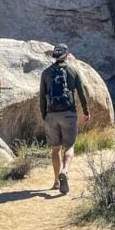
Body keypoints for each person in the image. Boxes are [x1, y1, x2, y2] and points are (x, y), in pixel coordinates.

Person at [39, 43, 90, 194]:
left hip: (51, 115)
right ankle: (65, 171)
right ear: (67, 55)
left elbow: (42, 96)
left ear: (54, 56)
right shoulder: (73, 70)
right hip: (68, 113)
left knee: (55, 149)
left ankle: (56, 181)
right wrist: (86, 111)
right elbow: (81, 92)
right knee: (69, 146)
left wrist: (45, 115)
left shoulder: (46, 73)